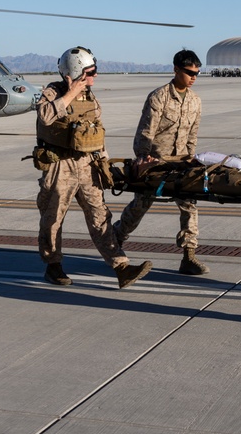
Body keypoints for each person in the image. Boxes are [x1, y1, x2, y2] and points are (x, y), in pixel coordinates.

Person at [35, 46, 153, 289]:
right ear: (76, 72)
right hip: (61, 165)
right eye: (90, 72)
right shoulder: (53, 92)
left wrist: (105, 164)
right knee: (52, 218)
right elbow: (45, 116)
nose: (95, 75)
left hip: (88, 164)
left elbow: (96, 130)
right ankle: (53, 266)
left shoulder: (89, 96)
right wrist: (70, 93)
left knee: (100, 215)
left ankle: (121, 267)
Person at [112, 49, 208, 275]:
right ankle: (114, 242)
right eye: (189, 72)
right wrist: (143, 160)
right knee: (140, 205)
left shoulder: (195, 101)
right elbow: (145, 132)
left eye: (197, 73)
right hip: (156, 162)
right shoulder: (159, 97)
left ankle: (189, 256)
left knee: (189, 205)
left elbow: (192, 135)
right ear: (176, 69)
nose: (193, 77)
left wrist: (191, 159)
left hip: (182, 162)